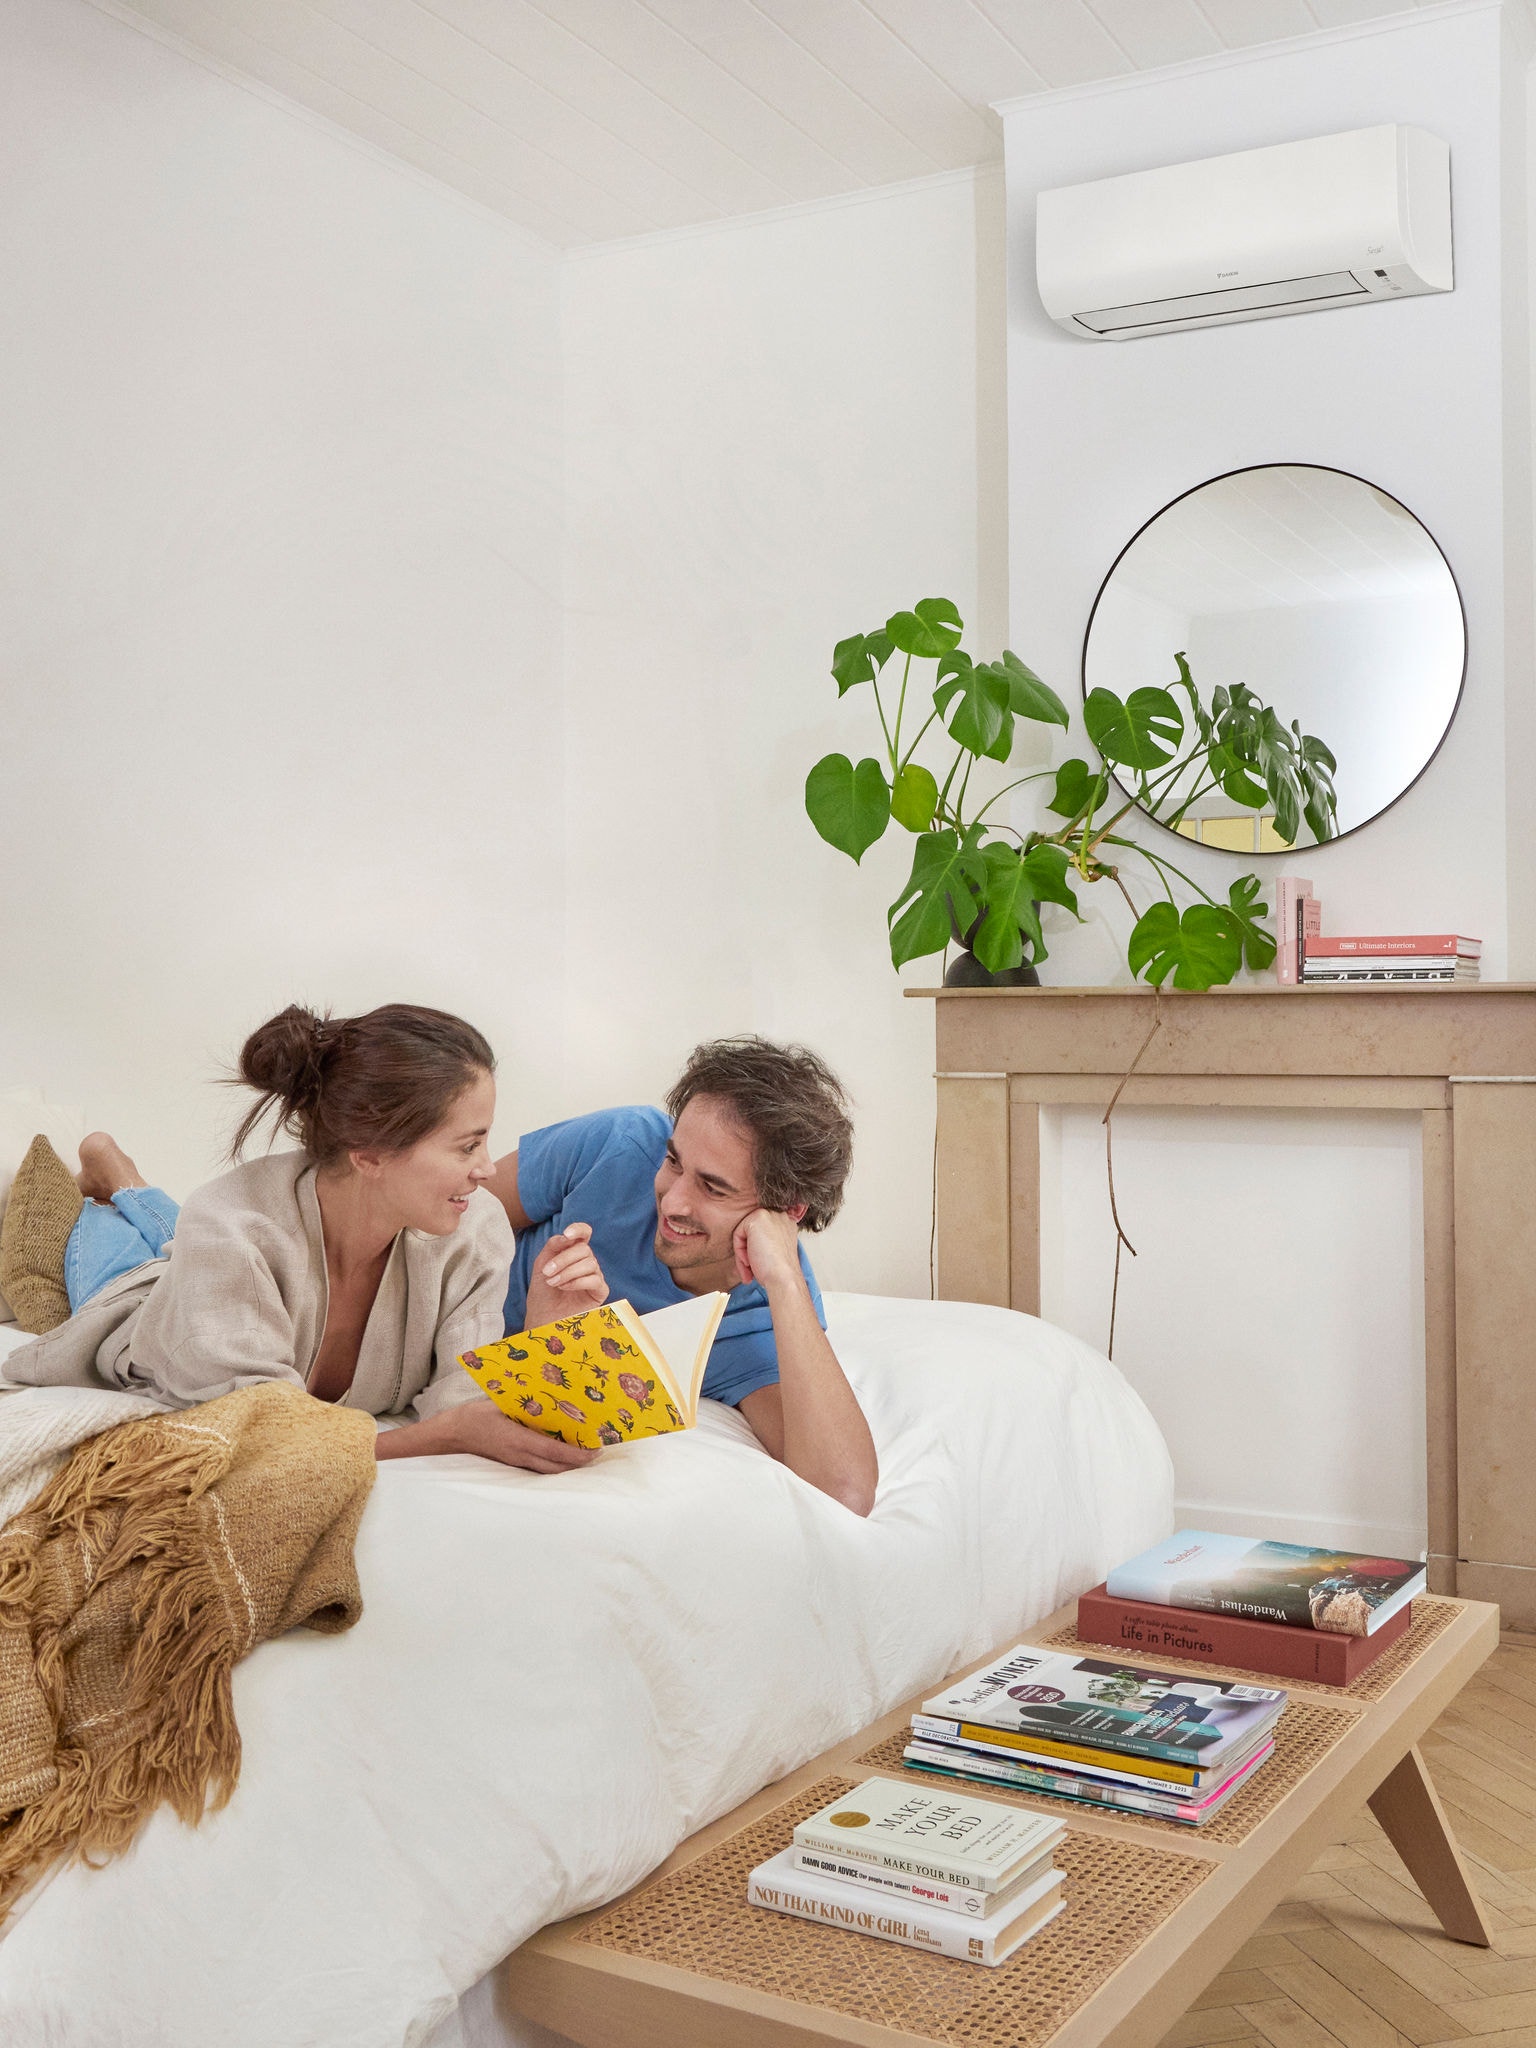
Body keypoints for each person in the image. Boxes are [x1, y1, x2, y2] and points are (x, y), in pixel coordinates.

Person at [5, 1004, 602, 1473]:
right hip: (146, 1308)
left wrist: (554, 1338)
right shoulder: (227, 1227)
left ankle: (126, 1177)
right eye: (467, 1145)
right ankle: (114, 1177)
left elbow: (462, 1398)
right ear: (369, 1154)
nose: (486, 1168)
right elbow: (264, 1435)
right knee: (120, 1261)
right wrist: (442, 1438)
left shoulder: (474, 1228)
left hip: (217, 1263)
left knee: (176, 1233)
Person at [488, 1037, 879, 1516]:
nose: (670, 1202)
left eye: (713, 1187)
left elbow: (844, 1493)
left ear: (786, 1211)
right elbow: (447, 1219)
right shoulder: (621, 1143)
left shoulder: (758, 1317)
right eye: (673, 1161)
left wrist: (786, 1283)